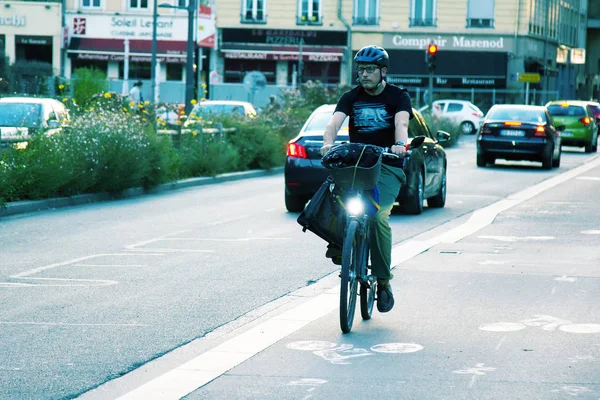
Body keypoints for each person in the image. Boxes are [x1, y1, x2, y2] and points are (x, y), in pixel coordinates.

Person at [320, 45, 413, 313]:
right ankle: (342, 244)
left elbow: (402, 124)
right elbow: (333, 125)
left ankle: (383, 281)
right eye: (361, 69)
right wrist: (328, 143)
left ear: (383, 72)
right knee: (332, 201)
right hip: (356, 164)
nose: (364, 74)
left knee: (377, 215)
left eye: (370, 69)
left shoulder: (398, 96)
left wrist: (399, 144)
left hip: (387, 164)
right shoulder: (351, 97)